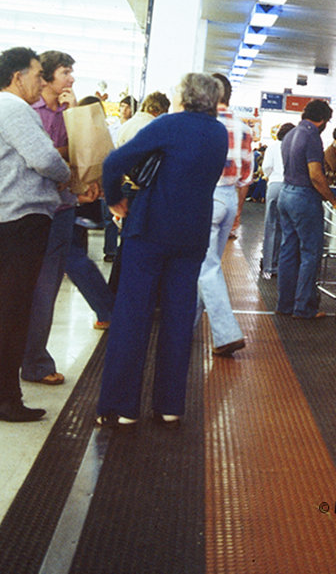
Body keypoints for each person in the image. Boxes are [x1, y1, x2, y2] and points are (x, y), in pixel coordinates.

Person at [96, 72, 228, 428]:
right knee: (178, 317)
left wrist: (115, 201)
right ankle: (170, 405)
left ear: (184, 97)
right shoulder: (219, 133)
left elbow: (113, 163)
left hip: (150, 229)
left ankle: (122, 406)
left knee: (133, 314)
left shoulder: (169, 125)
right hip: (192, 234)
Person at [0, 48, 70, 422]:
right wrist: (69, 177)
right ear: (17, 77)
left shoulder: (4, 109)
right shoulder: (15, 109)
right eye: (37, 75)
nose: (42, 82)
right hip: (19, 223)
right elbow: (44, 159)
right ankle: (2, 400)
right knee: (11, 314)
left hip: (5, 224)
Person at [22, 50, 110, 387]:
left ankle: (35, 361)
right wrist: (64, 155)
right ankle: (26, 360)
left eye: (72, 72)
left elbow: (86, 153)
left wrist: (74, 115)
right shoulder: (30, 112)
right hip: (31, 210)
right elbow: (40, 155)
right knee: (29, 289)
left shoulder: (71, 113)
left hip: (62, 209)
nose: (71, 79)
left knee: (46, 288)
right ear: (44, 77)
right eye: (64, 72)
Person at [194, 74, 253, 357]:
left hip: (207, 195)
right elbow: (246, 177)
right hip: (229, 198)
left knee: (206, 267)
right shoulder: (243, 127)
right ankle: (188, 324)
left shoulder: (205, 124)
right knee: (207, 266)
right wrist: (238, 211)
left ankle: (226, 333)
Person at [276, 99, 336, 319]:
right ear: (323, 120)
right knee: (310, 252)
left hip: (285, 194)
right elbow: (315, 176)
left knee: (288, 250)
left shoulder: (289, 134)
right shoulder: (312, 137)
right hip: (303, 197)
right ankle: (304, 307)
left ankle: (284, 304)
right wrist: (334, 201)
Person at [106, 92, 171, 262]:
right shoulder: (153, 127)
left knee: (126, 239)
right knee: (139, 242)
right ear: (159, 110)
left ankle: (117, 282)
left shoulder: (127, 125)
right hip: (142, 191)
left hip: (126, 187)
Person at [259, 122, 294, 279]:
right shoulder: (294, 146)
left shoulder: (272, 147)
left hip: (274, 186)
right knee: (288, 227)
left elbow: (266, 167)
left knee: (272, 225)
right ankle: (284, 264)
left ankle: (269, 266)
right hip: (291, 188)